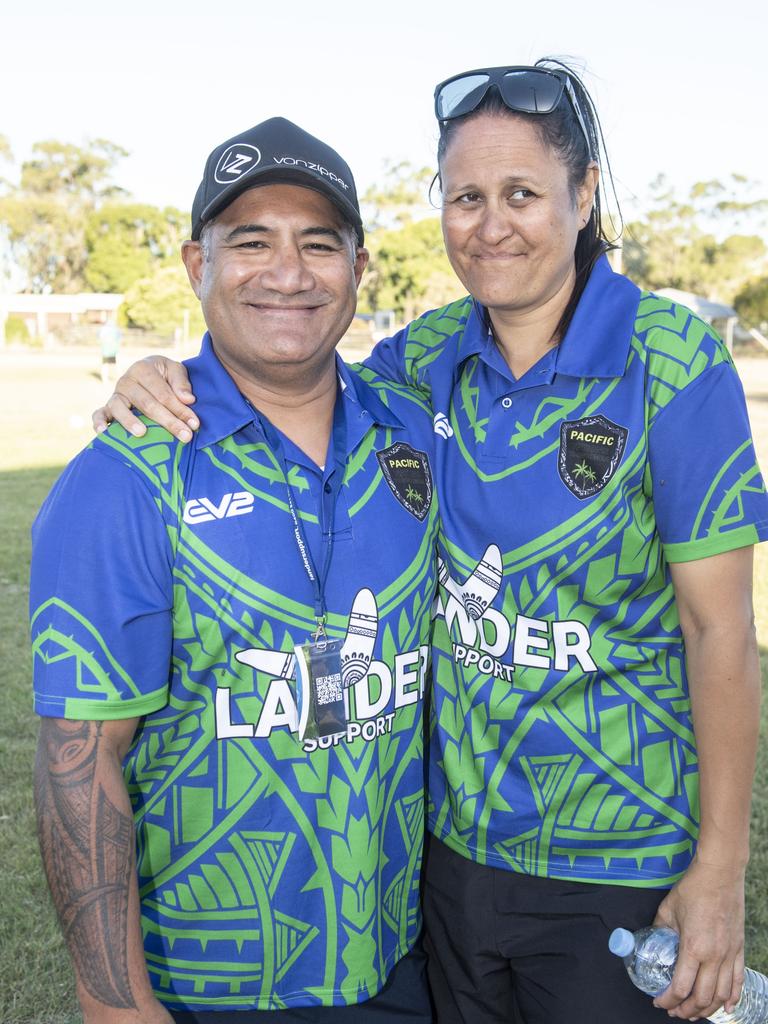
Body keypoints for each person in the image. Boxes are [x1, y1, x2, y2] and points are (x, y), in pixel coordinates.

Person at [93, 62, 768, 1024]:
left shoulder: (670, 361)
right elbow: (287, 372)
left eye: (523, 194)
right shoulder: (418, 359)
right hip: (444, 864)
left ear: (583, 198)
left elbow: (722, 637)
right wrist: (159, 377)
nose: (491, 225)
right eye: (466, 198)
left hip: (615, 865)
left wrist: (720, 871)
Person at [31, 117, 440, 1023]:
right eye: (250, 242)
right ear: (194, 265)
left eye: (319, 245)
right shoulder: (128, 476)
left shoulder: (416, 429)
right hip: (208, 989)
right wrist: (115, 1007)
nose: (288, 274)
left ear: (361, 270)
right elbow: (79, 760)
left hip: (396, 963)